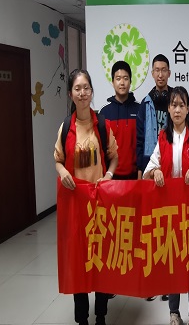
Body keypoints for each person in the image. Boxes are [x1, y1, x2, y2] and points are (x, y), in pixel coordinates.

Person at [142, 86, 189, 325]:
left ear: (187, 108)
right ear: (169, 108)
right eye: (173, 105)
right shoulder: (163, 137)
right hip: (170, 211)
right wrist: (155, 172)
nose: (177, 110)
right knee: (173, 262)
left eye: (182, 105)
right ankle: (174, 313)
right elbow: (149, 168)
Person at [54, 69, 119, 325]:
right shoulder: (66, 128)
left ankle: (101, 315)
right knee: (79, 261)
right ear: (71, 94)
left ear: (92, 92)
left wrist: (109, 175)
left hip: (99, 205)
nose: (82, 93)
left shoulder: (102, 125)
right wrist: (62, 172)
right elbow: (58, 160)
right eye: (77, 89)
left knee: (101, 260)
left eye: (86, 88)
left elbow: (113, 157)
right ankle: (81, 318)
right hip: (76, 207)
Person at [136, 53, 173, 301]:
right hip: (151, 170)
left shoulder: (176, 99)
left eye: (164, 70)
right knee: (152, 227)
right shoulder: (145, 103)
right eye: (156, 70)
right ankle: (152, 281)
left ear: (169, 73)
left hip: (170, 171)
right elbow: (140, 141)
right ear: (152, 73)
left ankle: (168, 282)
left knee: (169, 226)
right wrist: (141, 174)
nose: (160, 74)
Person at [99, 61, 140, 180]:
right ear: (112, 82)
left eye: (126, 78)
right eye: (118, 78)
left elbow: (142, 144)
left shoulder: (139, 109)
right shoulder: (104, 112)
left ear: (130, 81)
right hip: (111, 176)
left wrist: (140, 173)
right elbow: (101, 148)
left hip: (134, 177)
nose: (122, 82)